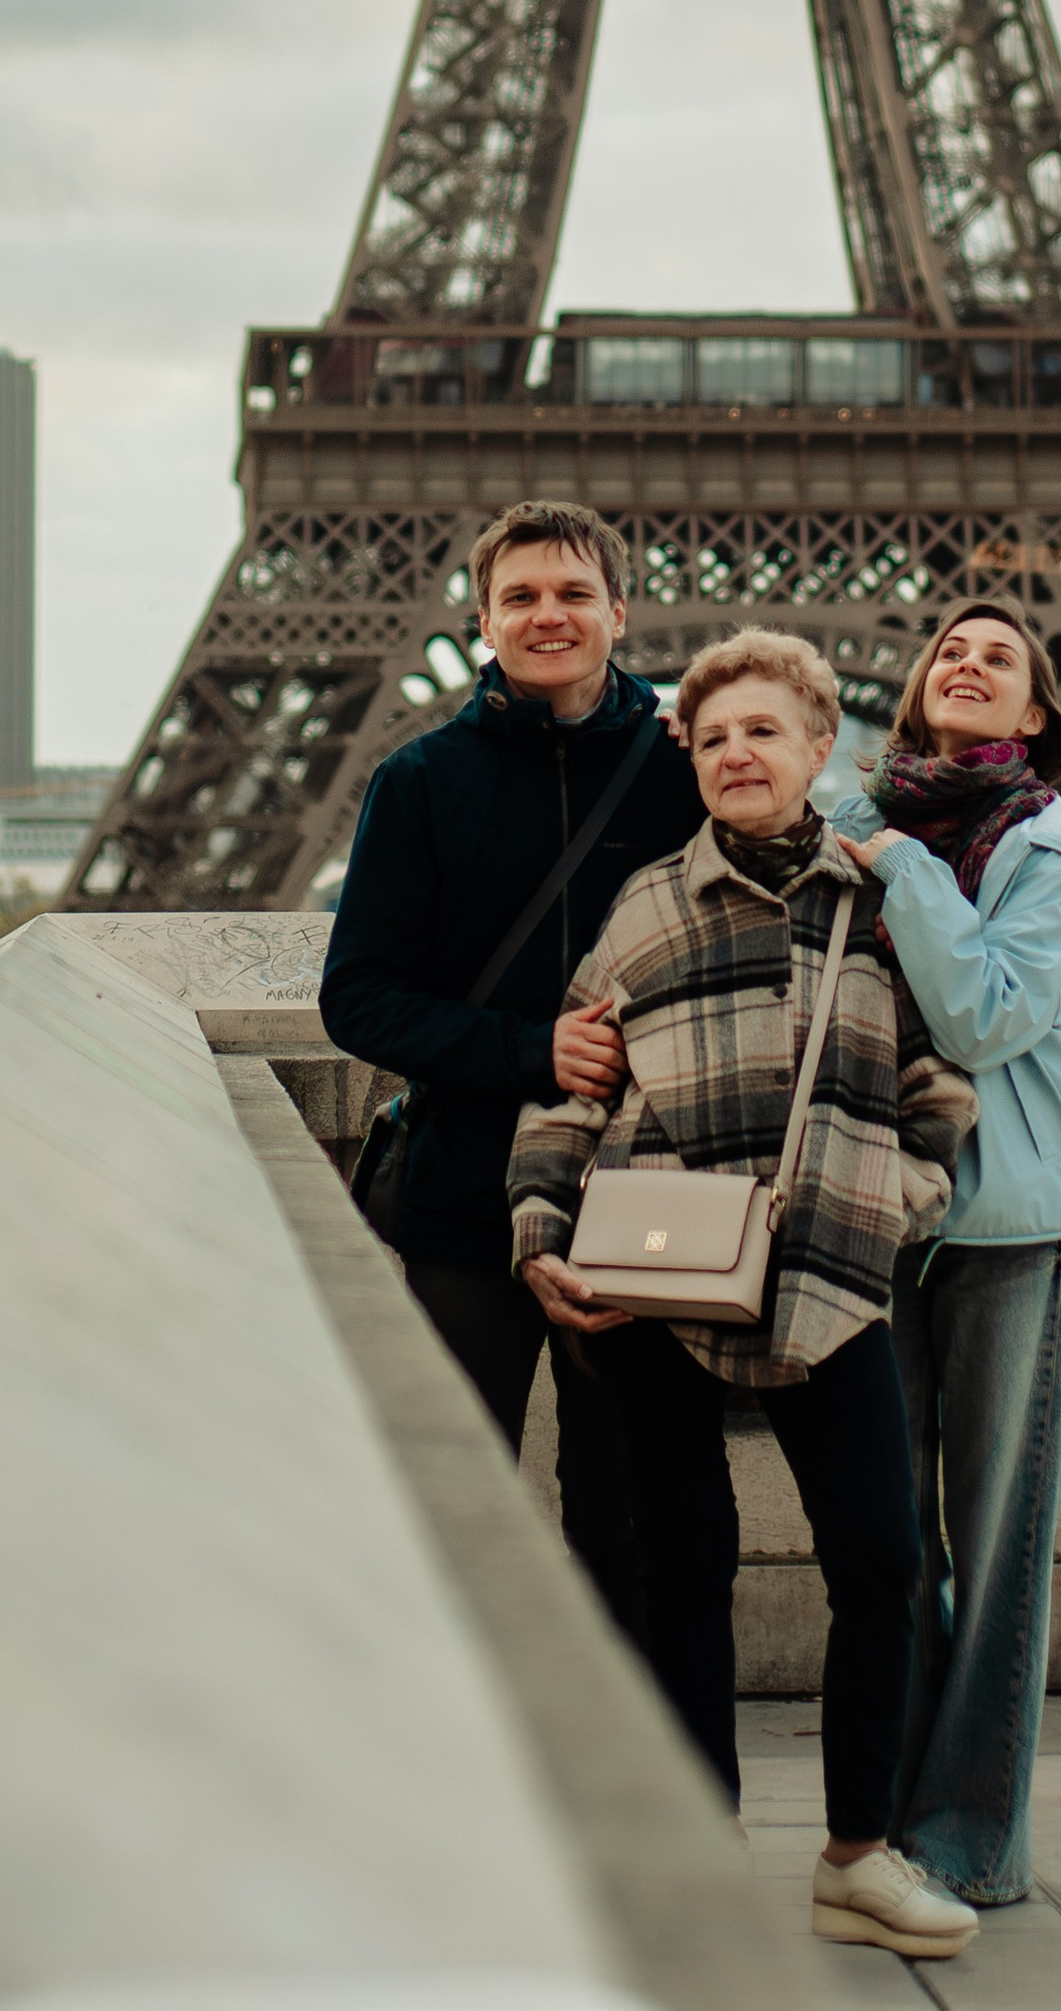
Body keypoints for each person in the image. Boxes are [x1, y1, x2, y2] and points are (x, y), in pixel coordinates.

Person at [512, 628, 981, 1965]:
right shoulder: (650, 906)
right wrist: (541, 1228)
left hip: (830, 1275)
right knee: (681, 1572)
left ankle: (856, 1853)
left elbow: (940, 1088)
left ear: (819, 749)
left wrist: (900, 1200)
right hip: (663, 1282)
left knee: (883, 1561)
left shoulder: (881, 900)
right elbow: (573, 1086)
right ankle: (696, 1842)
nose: (737, 753)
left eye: (763, 732)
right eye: (714, 737)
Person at [320, 500, 703, 1644]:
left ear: (619, 612)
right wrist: (531, 1049)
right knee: (455, 1516)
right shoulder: (420, 782)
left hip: (642, 1205)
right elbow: (358, 997)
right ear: (482, 620)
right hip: (466, 1203)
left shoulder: (686, 767)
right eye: (523, 597)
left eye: (574, 594)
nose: (550, 616)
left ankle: (645, 1788)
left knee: (629, 1523)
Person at [822, 599, 1061, 1910]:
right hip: (880, 1213)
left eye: (1002, 656)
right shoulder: (858, 810)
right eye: (952, 649)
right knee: (894, 1548)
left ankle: (971, 1841)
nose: (971, 662)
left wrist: (899, 865)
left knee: (994, 1557)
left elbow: (989, 1015)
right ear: (919, 691)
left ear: (1033, 716)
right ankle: (891, 1825)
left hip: (1003, 1228)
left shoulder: (1045, 847)